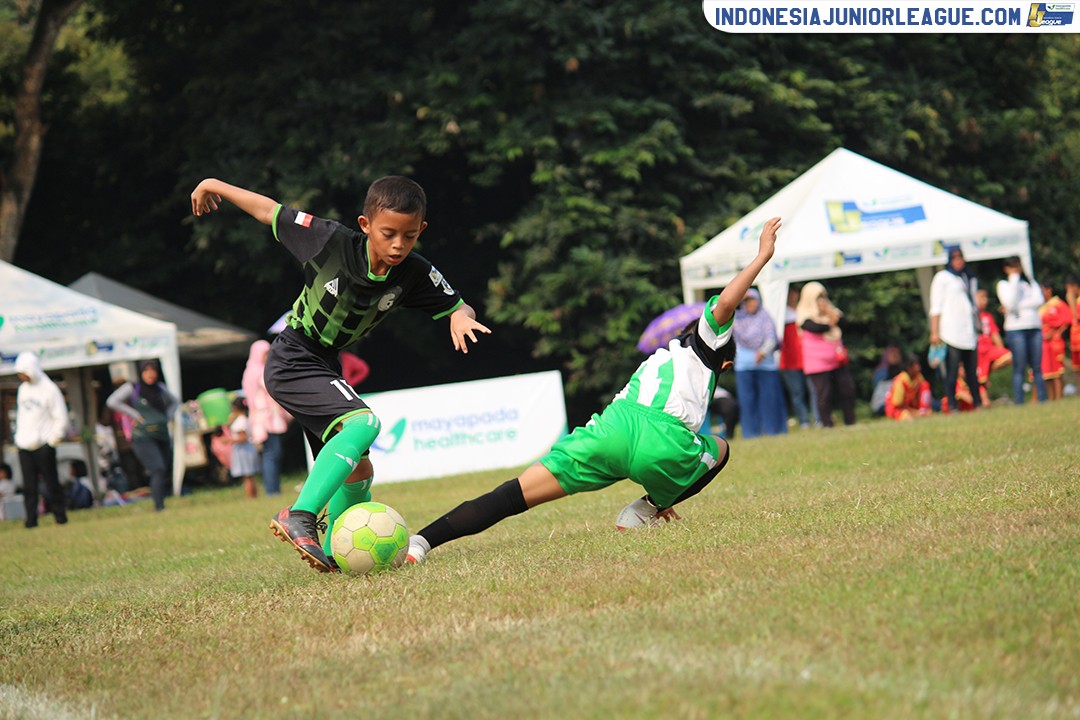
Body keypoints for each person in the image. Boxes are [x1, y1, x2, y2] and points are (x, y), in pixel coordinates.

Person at [404, 218, 782, 565]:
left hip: (609, 430)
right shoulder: (708, 346)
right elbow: (727, 301)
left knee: (513, 495)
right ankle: (644, 510)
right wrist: (762, 255)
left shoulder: (663, 355)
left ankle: (421, 542)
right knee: (720, 449)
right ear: (725, 363)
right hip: (662, 440)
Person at [191, 175, 491, 573]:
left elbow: (458, 304)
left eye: (409, 236)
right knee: (364, 423)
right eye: (388, 234)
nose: (398, 245)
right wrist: (214, 184)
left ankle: (333, 554)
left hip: (324, 364)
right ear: (366, 225)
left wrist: (459, 316)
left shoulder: (415, 272)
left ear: (421, 230)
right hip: (293, 355)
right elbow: (269, 211)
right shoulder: (329, 240)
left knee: (360, 469)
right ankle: (300, 515)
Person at [106, 360, 178, 512]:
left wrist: (167, 416)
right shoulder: (133, 388)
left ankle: (163, 499)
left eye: (153, 370)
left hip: (161, 435)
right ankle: (159, 506)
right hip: (143, 437)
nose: (150, 374)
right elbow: (112, 401)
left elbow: (174, 402)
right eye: (147, 371)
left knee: (164, 468)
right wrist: (133, 414)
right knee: (157, 468)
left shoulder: (160, 388)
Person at [13, 351, 69, 528]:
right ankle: (31, 520)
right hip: (24, 444)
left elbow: (61, 417)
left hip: (44, 444)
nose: (22, 377)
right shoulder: (23, 389)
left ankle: (60, 516)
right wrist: (18, 438)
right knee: (29, 486)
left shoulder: (49, 389)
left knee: (51, 482)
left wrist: (53, 440)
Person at [929, 246, 981, 413]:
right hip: (951, 331)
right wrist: (935, 331)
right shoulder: (943, 277)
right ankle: (951, 405)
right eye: (955, 258)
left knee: (971, 371)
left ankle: (978, 403)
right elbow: (936, 306)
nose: (958, 261)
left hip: (968, 331)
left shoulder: (968, 276)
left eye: (960, 257)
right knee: (952, 371)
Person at [796, 282, 856, 428]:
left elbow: (844, 323)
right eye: (818, 297)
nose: (822, 300)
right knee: (824, 395)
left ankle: (850, 421)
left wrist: (830, 314)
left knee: (847, 389)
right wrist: (831, 322)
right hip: (817, 362)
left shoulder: (832, 311)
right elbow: (815, 328)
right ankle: (827, 424)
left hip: (837, 358)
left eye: (823, 296)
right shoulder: (804, 315)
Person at [732, 288, 787, 438]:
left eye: (753, 301)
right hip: (744, 366)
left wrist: (763, 352)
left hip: (766, 365)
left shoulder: (765, 317)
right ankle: (751, 433)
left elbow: (771, 337)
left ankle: (773, 430)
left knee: (769, 400)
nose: (750, 305)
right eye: (747, 302)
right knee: (747, 401)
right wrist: (737, 296)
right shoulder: (737, 318)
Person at [241, 339, 293, 496]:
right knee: (271, 454)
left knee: (273, 453)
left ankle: (273, 488)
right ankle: (272, 490)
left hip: (267, 418)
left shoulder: (253, 372)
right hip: (265, 419)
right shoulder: (259, 372)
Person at [996, 256, 1046, 404]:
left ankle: (1042, 398)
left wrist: (1020, 306)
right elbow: (1010, 303)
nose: (1016, 269)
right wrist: (1014, 280)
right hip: (1016, 329)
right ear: (1006, 269)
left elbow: (1039, 300)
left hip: (1034, 326)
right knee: (1019, 366)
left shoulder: (1030, 282)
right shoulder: (1004, 284)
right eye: (1012, 267)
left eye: (1017, 266)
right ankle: (1020, 400)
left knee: (1037, 366)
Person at [778, 286, 812, 429]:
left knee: (814, 391)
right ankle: (804, 421)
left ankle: (818, 419)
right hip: (789, 361)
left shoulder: (803, 311)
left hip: (808, 358)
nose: (793, 297)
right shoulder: (781, 314)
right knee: (797, 393)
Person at [975, 288, 1011, 407]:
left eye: (985, 298)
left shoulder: (988, 316)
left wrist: (1000, 348)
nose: (984, 301)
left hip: (989, 349)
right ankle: (985, 401)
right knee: (980, 379)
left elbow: (995, 334)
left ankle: (989, 369)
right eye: (981, 298)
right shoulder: (969, 315)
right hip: (977, 352)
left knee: (1009, 356)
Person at [1038, 279, 1070, 401]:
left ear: (1048, 290)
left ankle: (1059, 397)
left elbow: (1067, 320)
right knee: (1047, 372)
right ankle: (1051, 399)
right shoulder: (1041, 307)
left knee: (1057, 371)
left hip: (1054, 342)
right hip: (1043, 343)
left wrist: (1056, 333)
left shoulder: (1058, 304)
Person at [227, 396, 261, 499]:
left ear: (235, 407)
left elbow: (243, 437)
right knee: (250, 476)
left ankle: (250, 497)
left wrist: (229, 441)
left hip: (244, 450)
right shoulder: (245, 418)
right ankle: (253, 496)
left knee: (247, 476)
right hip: (247, 449)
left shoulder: (240, 421)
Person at [885, 353, 933, 421]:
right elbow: (898, 405)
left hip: (910, 406)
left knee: (925, 385)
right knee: (907, 417)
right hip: (897, 409)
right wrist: (916, 412)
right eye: (916, 365)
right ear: (909, 368)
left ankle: (923, 410)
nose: (919, 367)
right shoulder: (900, 382)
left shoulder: (918, 377)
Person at [870, 345, 902, 417]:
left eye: (897, 354)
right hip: (883, 404)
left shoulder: (899, 369)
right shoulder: (881, 372)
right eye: (893, 354)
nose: (896, 356)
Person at [1066, 276, 1080, 373]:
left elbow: (1077, 317)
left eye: (1069, 289)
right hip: (1075, 343)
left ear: (1075, 286)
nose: (1068, 293)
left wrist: (1071, 303)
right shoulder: (1076, 302)